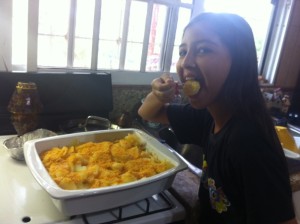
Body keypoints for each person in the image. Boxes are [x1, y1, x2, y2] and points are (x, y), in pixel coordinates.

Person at [138, 12, 297, 224]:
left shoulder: (249, 140)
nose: (186, 62)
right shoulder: (208, 116)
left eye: (203, 49)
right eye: (183, 51)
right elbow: (147, 113)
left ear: (238, 61)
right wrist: (159, 93)